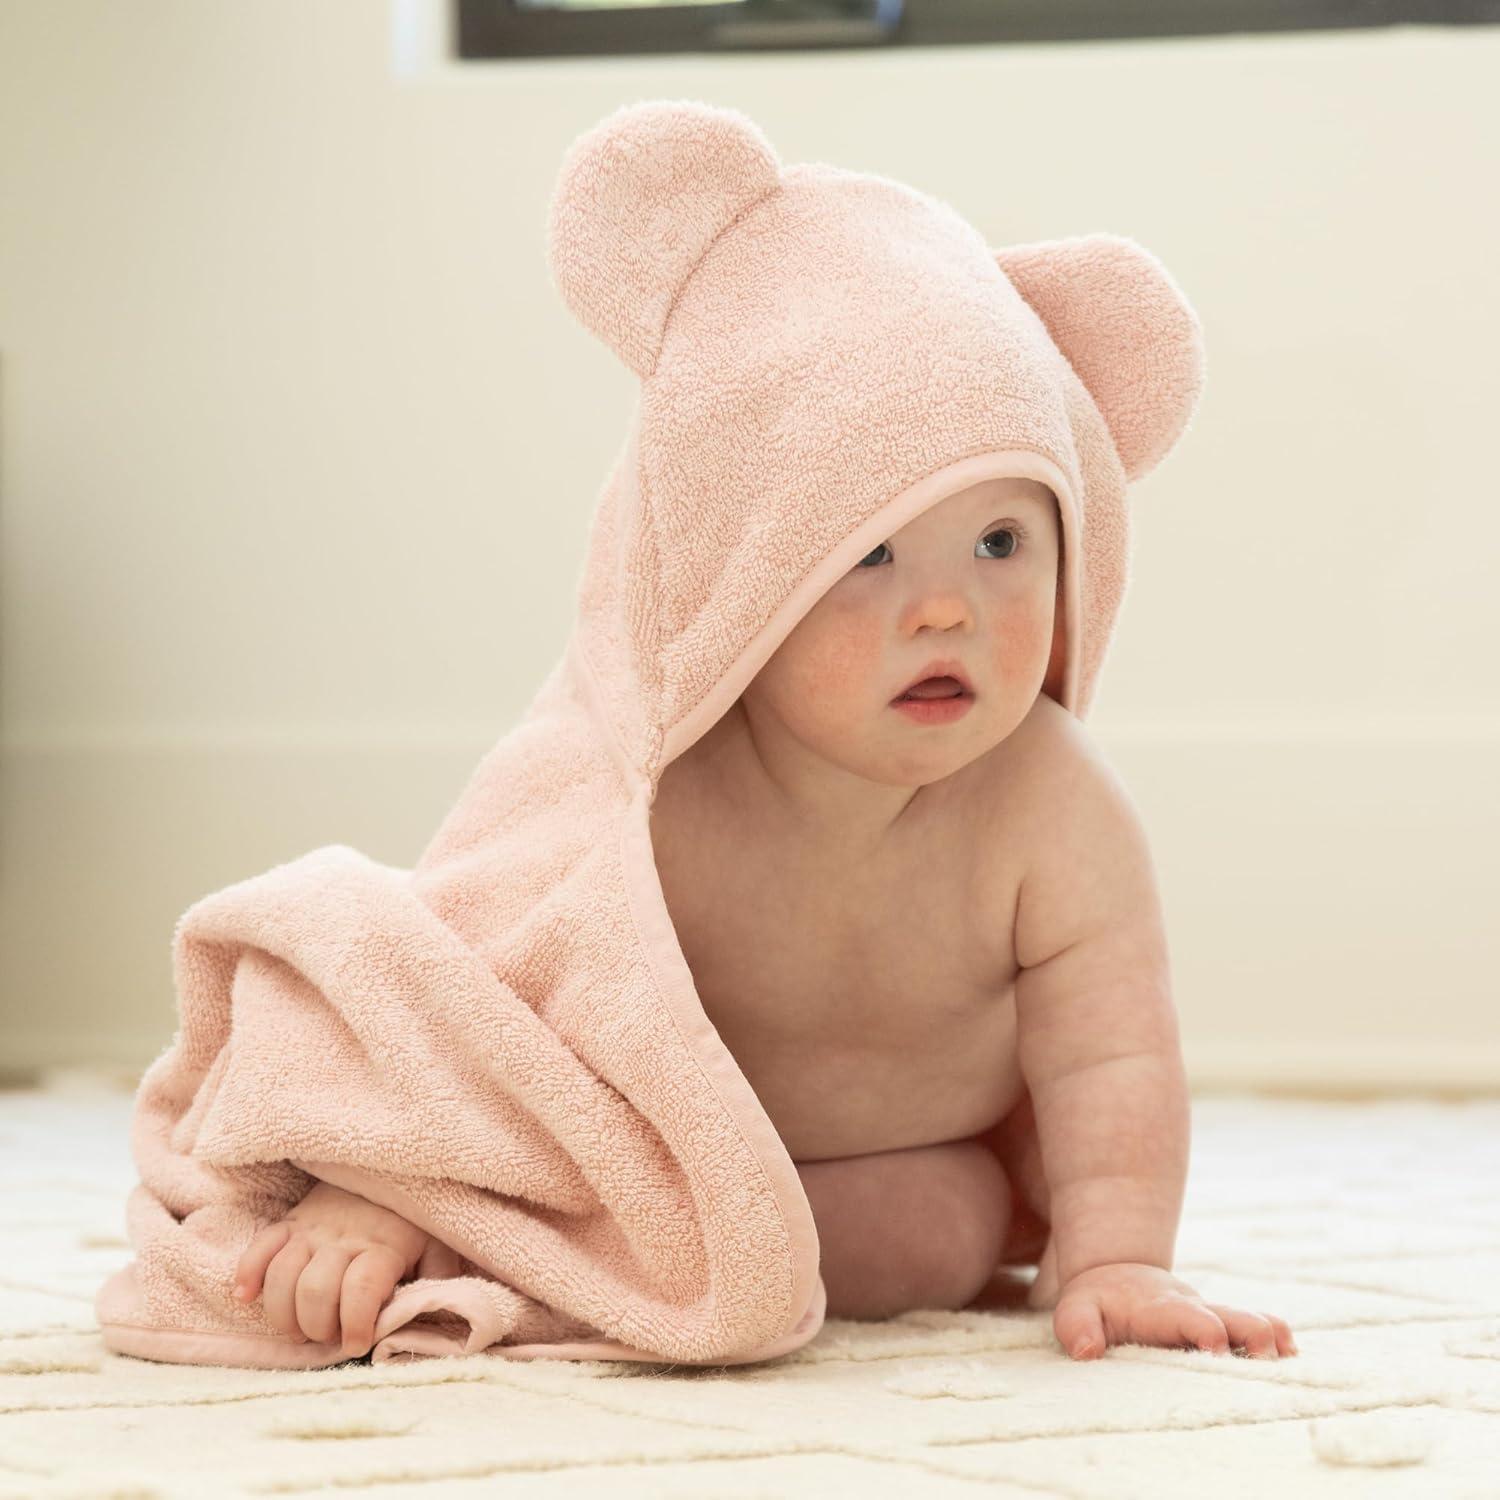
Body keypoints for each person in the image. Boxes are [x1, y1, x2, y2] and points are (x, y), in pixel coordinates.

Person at [233, 470, 1297, 1365]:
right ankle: (472, 1234)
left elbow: (1112, 1056)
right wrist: (376, 1182)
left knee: (949, 1235)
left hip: (894, 1162)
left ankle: (586, 1278)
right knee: (494, 1098)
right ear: (738, 585)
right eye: (870, 555)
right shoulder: (651, 780)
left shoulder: (1055, 803)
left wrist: (1119, 1259)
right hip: (626, 1156)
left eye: (1001, 541)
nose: (946, 607)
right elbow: (461, 987)